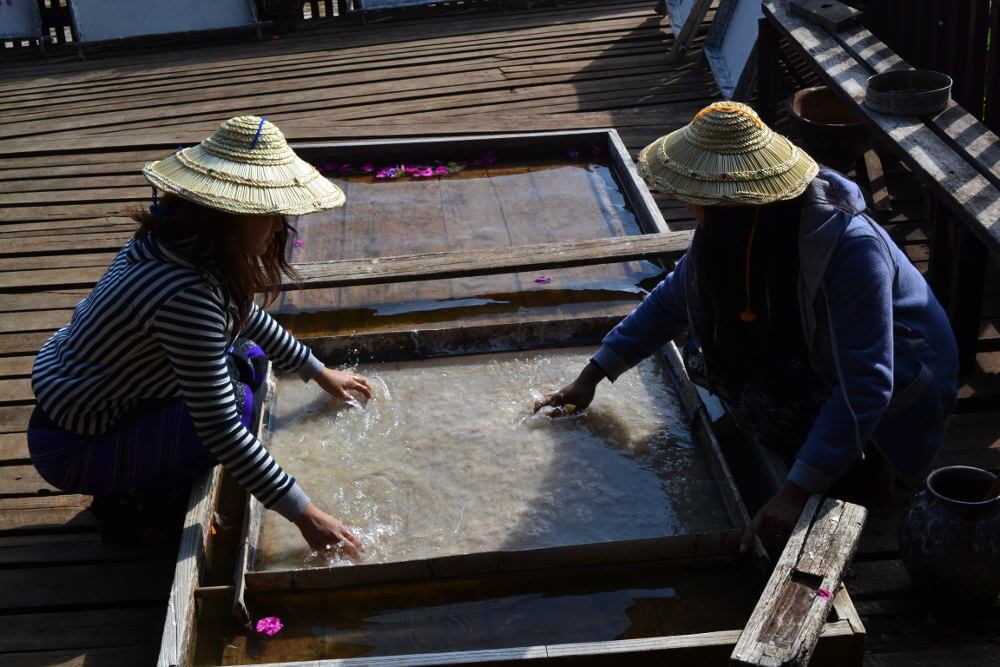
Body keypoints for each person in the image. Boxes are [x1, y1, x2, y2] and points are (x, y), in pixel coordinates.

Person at [535, 102, 959, 552]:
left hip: (905, 389)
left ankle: (871, 467)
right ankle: (813, 452)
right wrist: (591, 376)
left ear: (731, 202)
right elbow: (670, 303)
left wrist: (796, 492)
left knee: (777, 410)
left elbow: (868, 383)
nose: (688, 204)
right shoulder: (729, 233)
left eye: (694, 195)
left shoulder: (849, 250)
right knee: (710, 355)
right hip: (832, 364)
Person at [28, 116, 368, 558]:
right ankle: (136, 504)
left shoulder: (179, 247)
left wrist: (320, 373)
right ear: (228, 215)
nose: (279, 226)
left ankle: (138, 473)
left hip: (86, 408)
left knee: (247, 360)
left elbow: (245, 317)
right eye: (267, 213)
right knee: (241, 405)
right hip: (74, 445)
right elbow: (220, 429)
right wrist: (307, 514)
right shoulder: (184, 294)